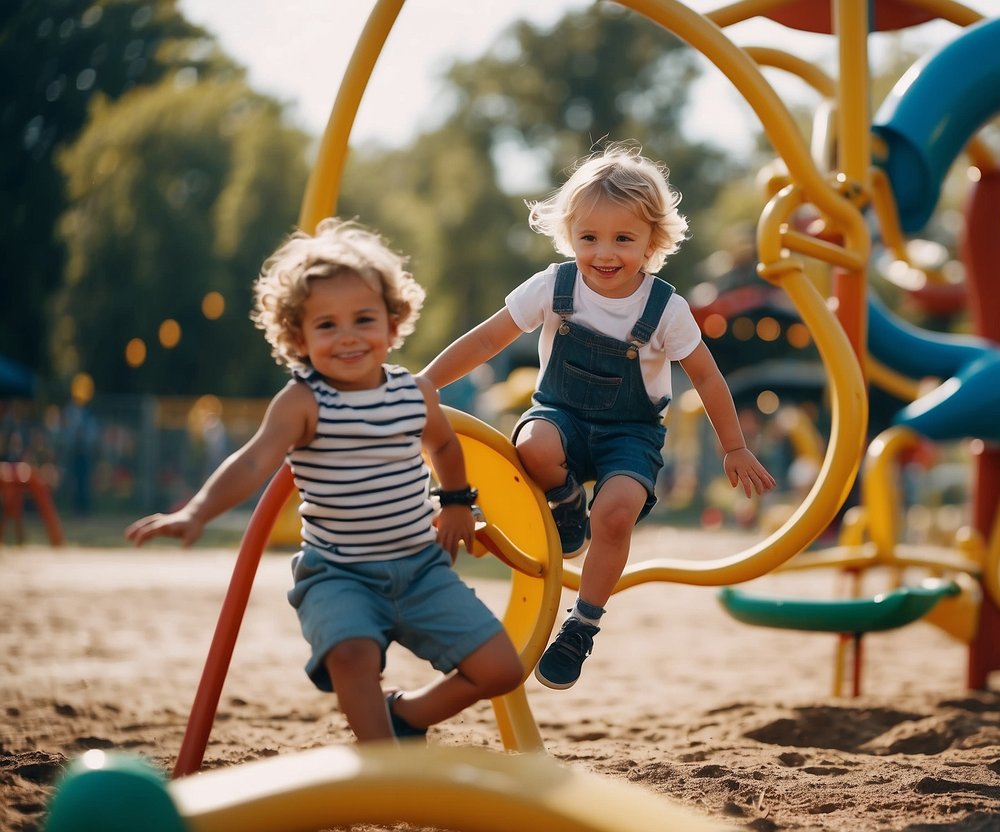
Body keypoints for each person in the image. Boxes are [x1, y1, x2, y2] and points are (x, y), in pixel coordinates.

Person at [125, 218, 524, 742]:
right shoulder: (304, 401)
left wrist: (455, 503)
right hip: (340, 574)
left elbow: (445, 445)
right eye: (327, 325)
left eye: (364, 318)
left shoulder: (414, 393)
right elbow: (251, 461)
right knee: (352, 654)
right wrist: (196, 511)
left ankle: (403, 717)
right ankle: (380, 762)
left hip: (422, 569)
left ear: (393, 320)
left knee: (501, 670)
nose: (349, 337)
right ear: (298, 336)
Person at [420, 144, 775, 690]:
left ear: (652, 242)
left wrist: (732, 446)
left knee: (617, 511)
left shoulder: (664, 310)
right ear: (570, 235)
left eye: (623, 239)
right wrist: (427, 382)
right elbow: (490, 338)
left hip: (630, 432)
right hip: (559, 414)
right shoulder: (555, 288)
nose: (604, 253)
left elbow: (706, 376)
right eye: (589, 237)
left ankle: (582, 625)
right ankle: (564, 501)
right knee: (534, 445)